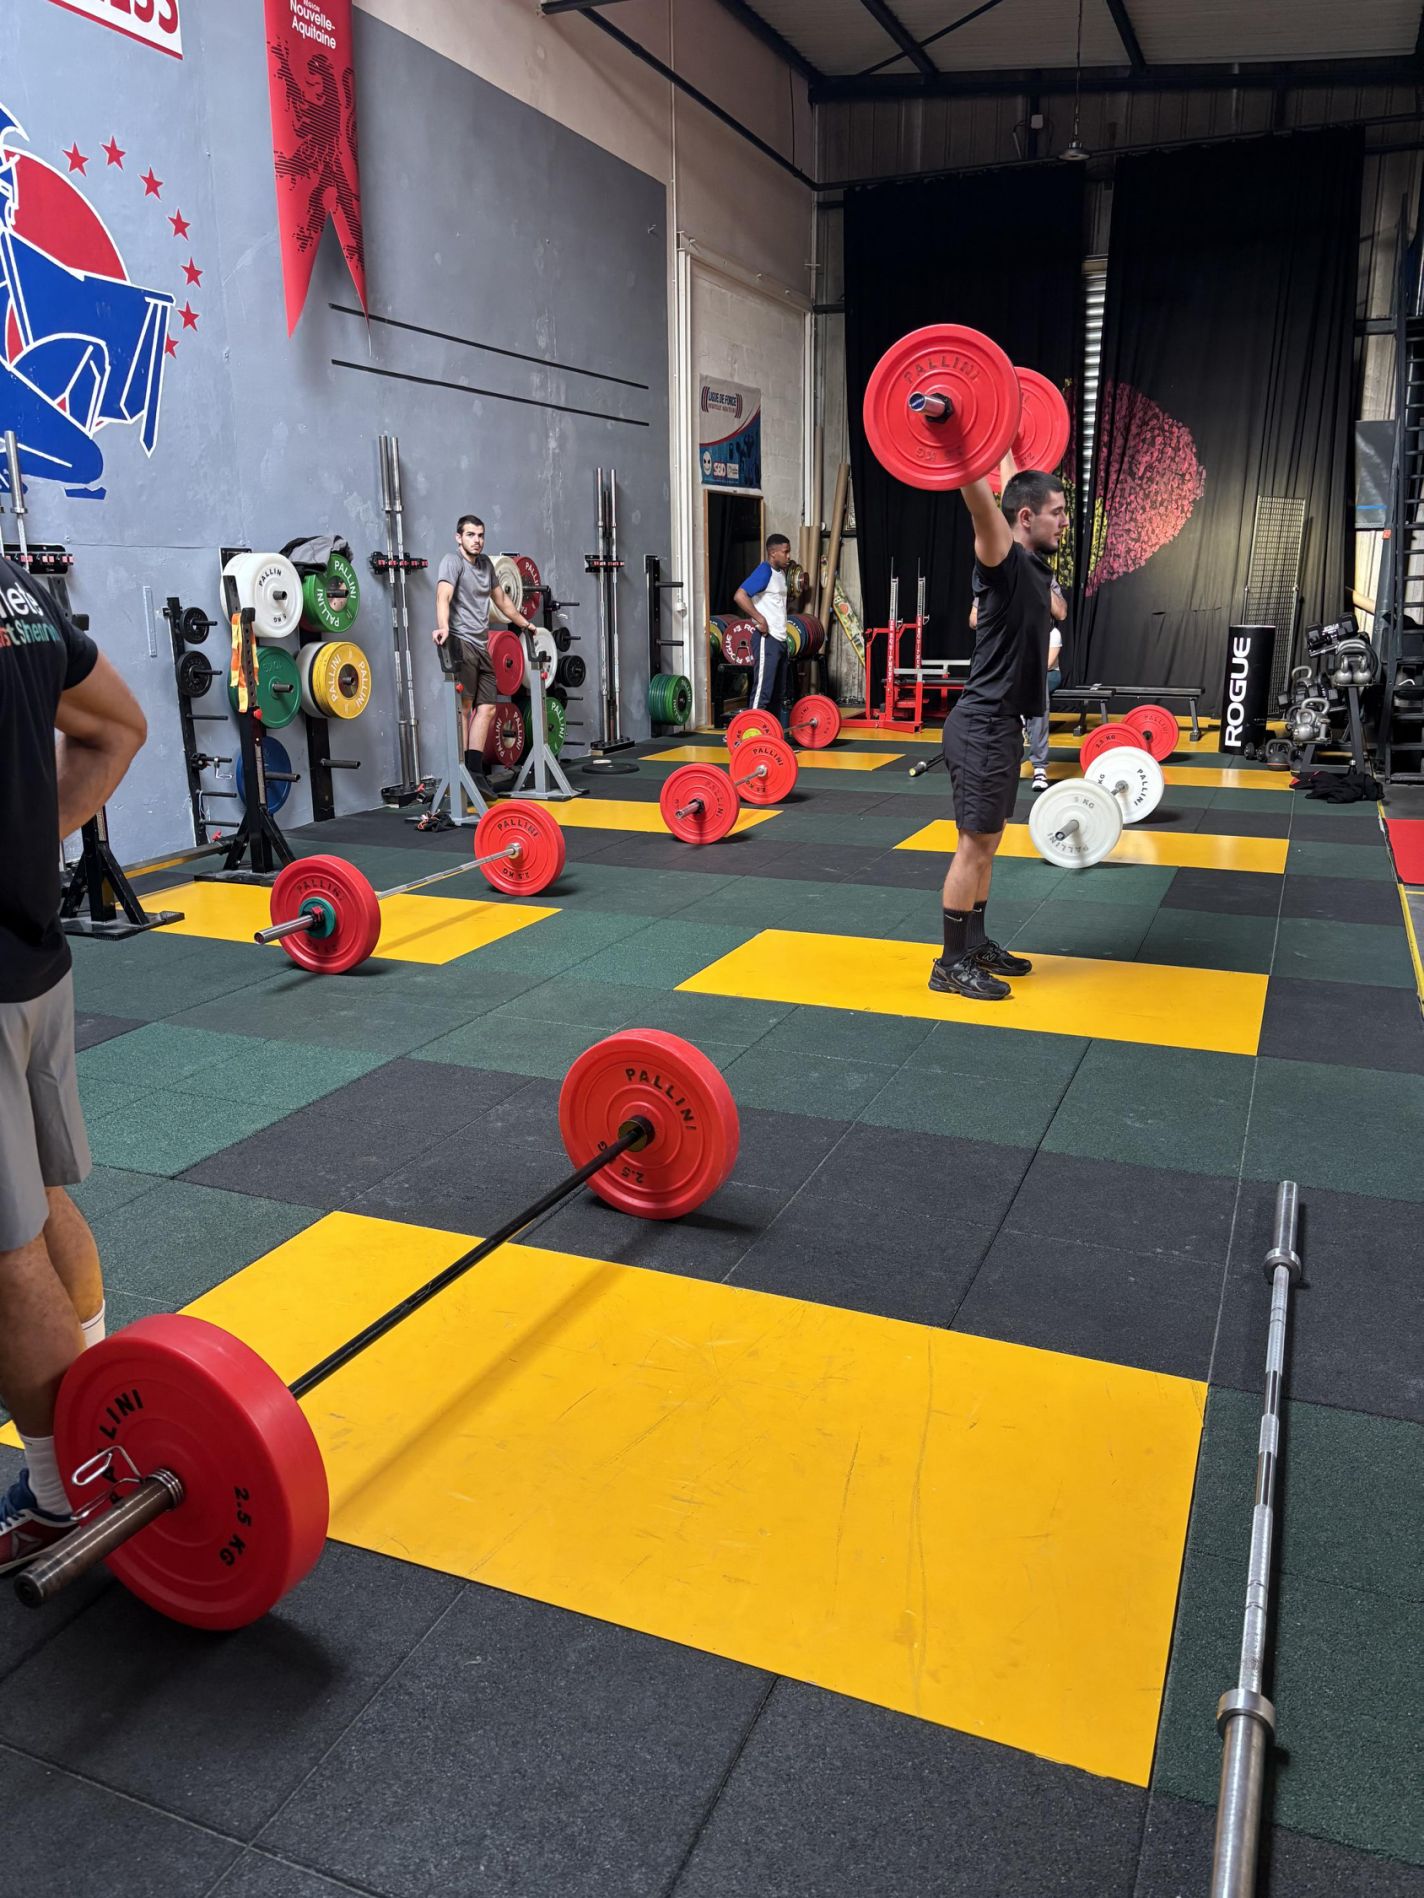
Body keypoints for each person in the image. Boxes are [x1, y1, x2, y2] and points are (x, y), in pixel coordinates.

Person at [0, 555, 147, 1572]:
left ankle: (63, 1498)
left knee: (2, 1257)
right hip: (35, 961)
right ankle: (100, 1430)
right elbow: (120, 726)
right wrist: (21, 846)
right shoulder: (15, 584)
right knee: (39, 1201)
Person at [933, 463, 1067, 1002]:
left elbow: (1015, 478)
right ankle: (950, 963)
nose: (1063, 522)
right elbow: (983, 505)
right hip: (982, 725)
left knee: (988, 844)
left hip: (1001, 726)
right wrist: (964, 448)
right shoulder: (1004, 562)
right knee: (973, 847)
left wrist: (1006, 441)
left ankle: (977, 941)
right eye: (1056, 514)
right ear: (1027, 517)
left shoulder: (1033, 566)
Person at [433, 516, 539, 785]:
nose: (476, 540)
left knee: (488, 708)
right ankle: (464, 773)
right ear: (459, 537)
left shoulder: (486, 566)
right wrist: (443, 627)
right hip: (460, 642)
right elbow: (443, 595)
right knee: (466, 708)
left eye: (480, 535)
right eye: (470, 535)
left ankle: (474, 770)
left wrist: (525, 624)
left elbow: (502, 600)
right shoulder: (452, 562)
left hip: (481, 645)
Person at [969, 575, 1066, 794]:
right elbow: (974, 619)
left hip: (1032, 662)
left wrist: (1038, 580)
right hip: (1003, 656)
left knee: (1037, 704)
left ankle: (1039, 767)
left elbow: (1061, 612)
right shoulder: (996, 577)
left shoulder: (1044, 578)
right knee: (993, 711)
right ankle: (997, 766)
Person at [734, 533, 793, 728]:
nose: (788, 556)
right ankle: (748, 733)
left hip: (781, 640)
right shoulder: (764, 571)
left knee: (778, 694)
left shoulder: (781, 573)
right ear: (773, 553)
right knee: (763, 692)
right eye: (785, 552)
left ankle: (770, 737)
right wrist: (760, 619)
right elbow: (740, 596)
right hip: (766, 639)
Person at [1024, 579, 1066, 792]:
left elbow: (1045, 666)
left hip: (1045, 675)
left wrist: (1040, 580)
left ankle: (1040, 767)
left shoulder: (1052, 632)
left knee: (1037, 695)